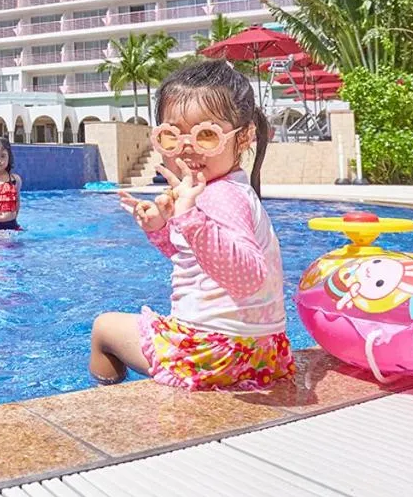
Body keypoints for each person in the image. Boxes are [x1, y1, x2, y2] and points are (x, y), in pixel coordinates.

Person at [89, 59, 294, 391]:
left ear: (243, 138)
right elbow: (199, 262)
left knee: (103, 328)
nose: (187, 148)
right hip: (262, 354)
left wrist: (190, 219)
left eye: (207, 135)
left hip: (214, 356)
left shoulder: (218, 196)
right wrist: (160, 227)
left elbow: (250, 278)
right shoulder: (232, 188)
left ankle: (109, 406)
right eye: (172, 136)